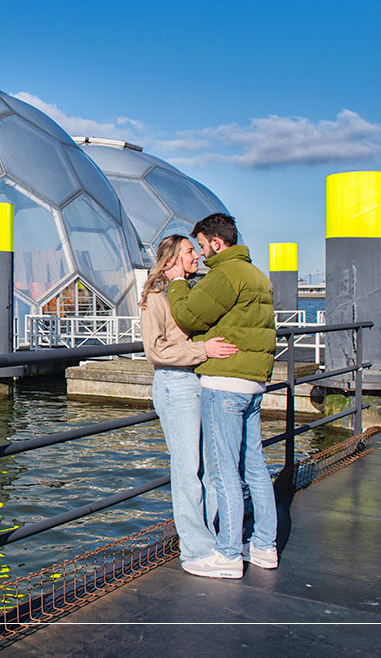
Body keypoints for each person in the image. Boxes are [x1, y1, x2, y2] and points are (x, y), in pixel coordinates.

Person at [165, 212, 278, 579]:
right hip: (254, 383)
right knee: (256, 468)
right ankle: (264, 545)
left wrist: (177, 284)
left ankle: (229, 554)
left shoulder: (226, 274)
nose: (201, 253)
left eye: (201, 245)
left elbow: (188, 317)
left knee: (223, 470)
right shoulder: (257, 274)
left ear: (216, 242)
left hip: (225, 383)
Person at [140, 235, 237, 567]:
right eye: (189, 252)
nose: (196, 255)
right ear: (170, 261)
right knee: (187, 468)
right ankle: (195, 550)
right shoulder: (155, 299)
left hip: (199, 381)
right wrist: (203, 350)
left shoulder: (191, 293)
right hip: (175, 384)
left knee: (209, 468)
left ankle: (208, 539)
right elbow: (155, 350)